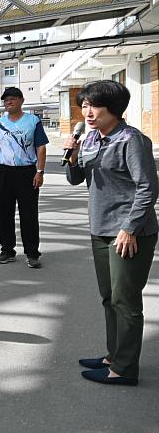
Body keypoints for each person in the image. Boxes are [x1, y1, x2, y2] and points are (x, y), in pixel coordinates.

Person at [64, 81, 158, 386]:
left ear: (114, 109)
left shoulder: (132, 141)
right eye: (85, 105)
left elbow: (148, 189)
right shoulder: (90, 138)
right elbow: (75, 179)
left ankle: (125, 369)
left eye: (94, 106)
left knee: (126, 301)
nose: (88, 112)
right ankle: (113, 355)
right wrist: (72, 154)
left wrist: (130, 228)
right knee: (109, 298)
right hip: (100, 229)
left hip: (129, 233)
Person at [0, 87, 48, 268]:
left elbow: (41, 147)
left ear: (21, 100)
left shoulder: (32, 121)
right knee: (3, 213)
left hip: (27, 172)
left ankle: (32, 253)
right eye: (6, 100)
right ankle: (7, 250)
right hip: (4, 172)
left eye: (13, 99)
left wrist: (40, 171)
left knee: (29, 214)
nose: (9, 102)